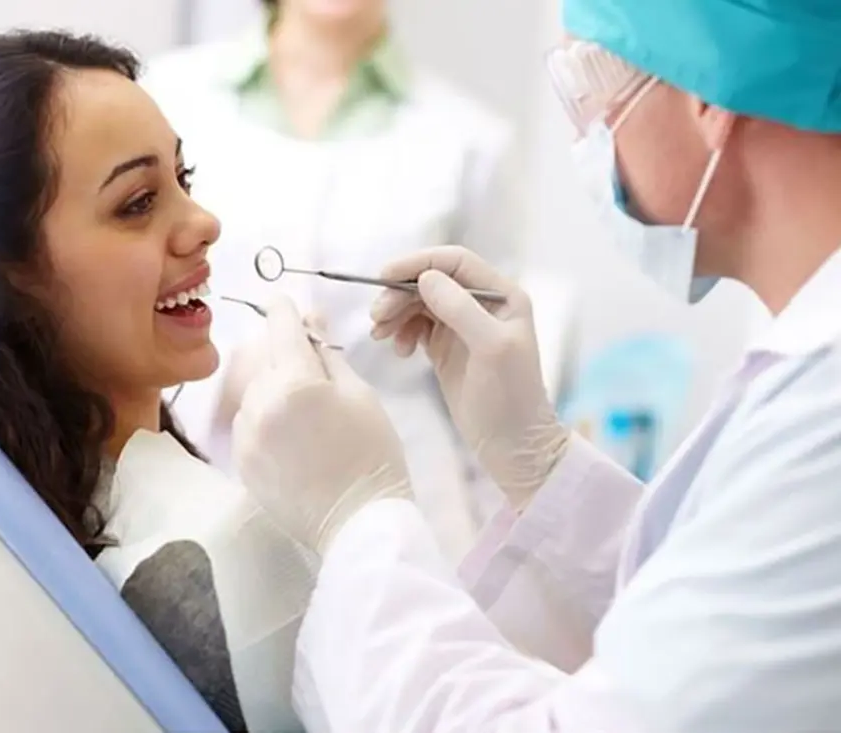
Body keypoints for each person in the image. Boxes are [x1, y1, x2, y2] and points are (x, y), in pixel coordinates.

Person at [230, 0, 841, 730]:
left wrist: (357, 518)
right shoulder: (807, 386)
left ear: (709, 93)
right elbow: (697, 629)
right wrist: (542, 463)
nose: (588, 132)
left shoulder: (823, 418)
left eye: (588, 81)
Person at [0, 30, 314, 732]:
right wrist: (372, 514)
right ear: (6, 272)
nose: (204, 223)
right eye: (137, 202)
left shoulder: (30, 526)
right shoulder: (221, 545)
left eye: (185, 179)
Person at [141, 0, 522, 561]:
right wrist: (221, 383)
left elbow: (486, 372)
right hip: (206, 466)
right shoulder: (167, 96)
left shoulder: (470, 141)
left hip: (408, 497)